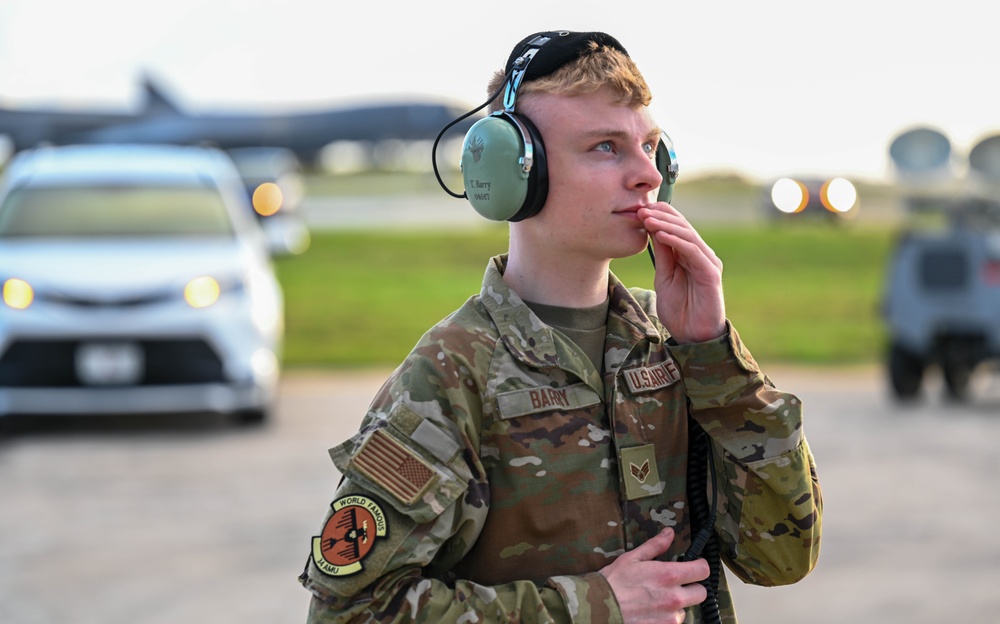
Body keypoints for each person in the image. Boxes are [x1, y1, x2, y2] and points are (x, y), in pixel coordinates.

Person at [299, 30, 822, 624]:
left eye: (650, 147)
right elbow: (350, 612)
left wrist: (714, 355)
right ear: (515, 172)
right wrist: (591, 607)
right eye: (605, 147)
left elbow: (782, 556)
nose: (646, 175)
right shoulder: (452, 373)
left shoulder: (676, 343)